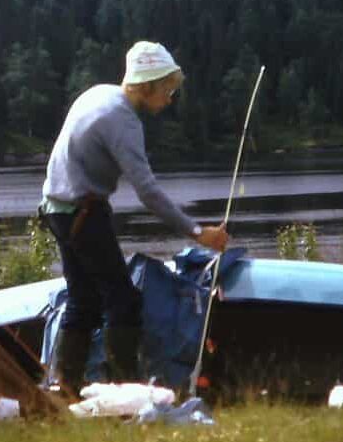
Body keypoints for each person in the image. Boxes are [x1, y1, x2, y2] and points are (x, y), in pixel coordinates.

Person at [40, 40, 229, 395]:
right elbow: (148, 192)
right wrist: (197, 232)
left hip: (56, 208)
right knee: (123, 300)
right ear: (147, 85)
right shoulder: (123, 121)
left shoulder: (99, 94)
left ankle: (65, 389)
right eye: (167, 89)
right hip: (82, 212)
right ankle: (124, 390)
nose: (170, 98)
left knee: (84, 298)